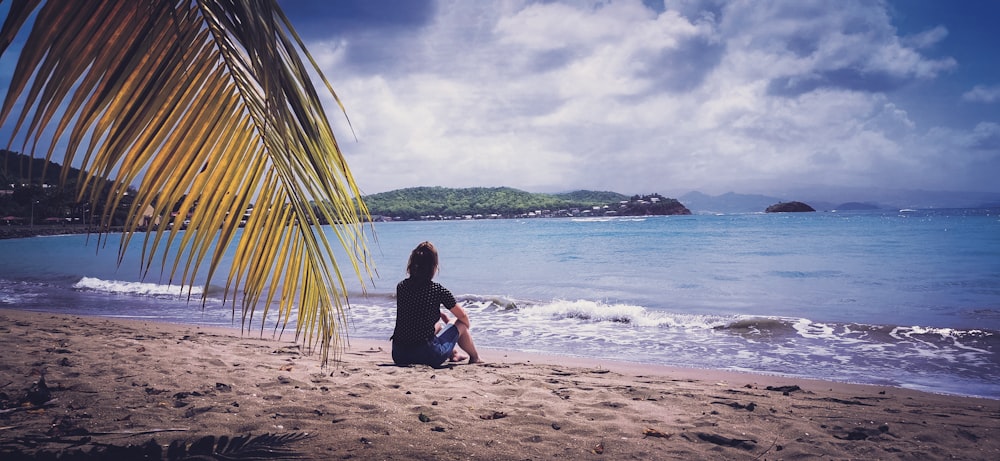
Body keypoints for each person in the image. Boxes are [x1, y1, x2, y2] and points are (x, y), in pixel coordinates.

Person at [391, 241, 482, 366]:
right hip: (428, 355)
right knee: (458, 323)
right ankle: (475, 357)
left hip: (399, 354)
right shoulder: (437, 290)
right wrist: (462, 328)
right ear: (434, 266)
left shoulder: (401, 286)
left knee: (438, 326)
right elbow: (462, 316)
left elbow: (413, 313)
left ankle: (454, 354)